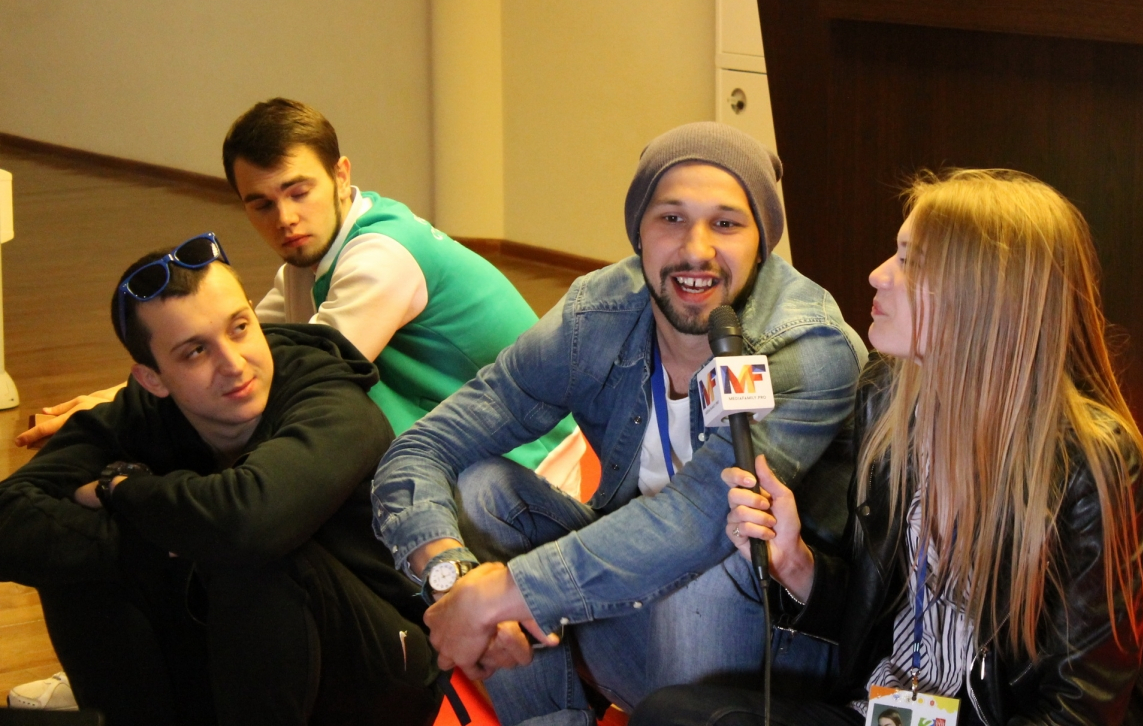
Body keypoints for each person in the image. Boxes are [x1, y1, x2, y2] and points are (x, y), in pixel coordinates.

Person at [371, 122, 868, 725]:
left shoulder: (809, 345)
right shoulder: (597, 313)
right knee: (481, 488)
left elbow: (695, 519)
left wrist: (503, 593)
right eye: (671, 218)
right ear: (638, 233)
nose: (697, 250)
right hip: (631, 619)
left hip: (766, 660)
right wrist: (452, 580)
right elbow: (424, 447)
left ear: (762, 242)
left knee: (728, 544)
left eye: (726, 224)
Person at [632, 169, 1143, 726]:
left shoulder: (1094, 465)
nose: (878, 274)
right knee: (668, 715)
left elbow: (1078, 707)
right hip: (891, 712)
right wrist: (795, 562)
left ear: (982, 294)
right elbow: (878, 616)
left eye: (910, 261)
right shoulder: (886, 399)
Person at [0, 235, 441, 726]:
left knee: (254, 557)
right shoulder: (139, 413)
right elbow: (9, 517)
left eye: (239, 328)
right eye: (195, 352)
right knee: (74, 561)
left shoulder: (331, 398)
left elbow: (250, 522)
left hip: (385, 669)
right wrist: (156, 544)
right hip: (244, 666)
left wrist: (121, 489)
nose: (233, 364)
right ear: (153, 379)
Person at [17, 98, 576, 484]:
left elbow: (296, 377)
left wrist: (120, 410)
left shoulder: (381, 257)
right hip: (470, 442)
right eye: (261, 203)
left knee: (301, 415)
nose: (284, 219)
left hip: (535, 464)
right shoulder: (312, 258)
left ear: (340, 176)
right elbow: (249, 344)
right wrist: (127, 390)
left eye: (298, 191)